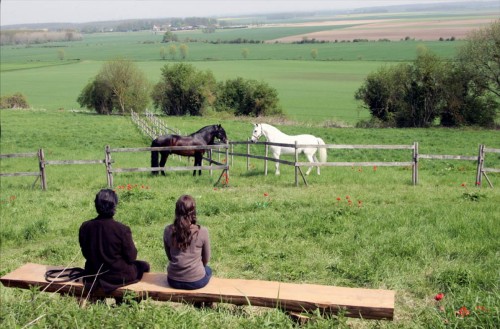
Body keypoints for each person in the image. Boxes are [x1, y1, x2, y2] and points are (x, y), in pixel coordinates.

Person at [79, 189, 150, 294]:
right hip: (118, 276)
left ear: (96, 205)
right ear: (114, 206)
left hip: (93, 274)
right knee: (143, 265)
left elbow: (86, 253)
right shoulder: (122, 229)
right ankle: (126, 302)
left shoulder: (85, 227)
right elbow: (131, 257)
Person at [163, 194, 212, 290]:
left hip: (173, 280)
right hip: (196, 281)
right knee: (208, 270)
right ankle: (202, 303)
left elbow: (170, 256)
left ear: (176, 211)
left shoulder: (168, 230)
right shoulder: (202, 231)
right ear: (193, 212)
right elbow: (206, 259)